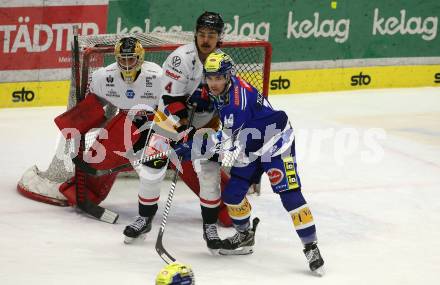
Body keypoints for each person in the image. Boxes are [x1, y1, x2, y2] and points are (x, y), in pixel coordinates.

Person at [190, 51, 325, 275]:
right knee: (233, 195)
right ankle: (245, 236)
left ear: (228, 75)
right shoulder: (221, 88)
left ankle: (311, 247)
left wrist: (191, 148)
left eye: (218, 78)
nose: (213, 83)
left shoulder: (236, 103)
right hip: (250, 145)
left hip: (276, 144)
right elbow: (226, 126)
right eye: (210, 78)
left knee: (289, 195)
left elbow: (226, 144)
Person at [123, 11, 231, 253]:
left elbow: (226, 97)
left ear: (218, 37)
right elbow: (171, 97)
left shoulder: (223, 61)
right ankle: (144, 219)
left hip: (206, 125)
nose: (205, 39)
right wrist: (184, 128)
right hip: (169, 121)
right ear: (196, 34)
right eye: (202, 34)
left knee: (210, 175)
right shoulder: (180, 58)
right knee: (152, 168)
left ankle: (210, 227)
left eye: (211, 35)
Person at [49, 36, 164, 221]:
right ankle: (83, 195)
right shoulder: (104, 77)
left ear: (140, 58)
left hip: (159, 121)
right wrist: (76, 123)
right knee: (99, 158)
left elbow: (174, 104)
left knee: (191, 160)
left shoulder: (157, 76)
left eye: (131, 59)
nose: (126, 64)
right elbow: (93, 103)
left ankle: (222, 203)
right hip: (128, 120)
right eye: (122, 59)